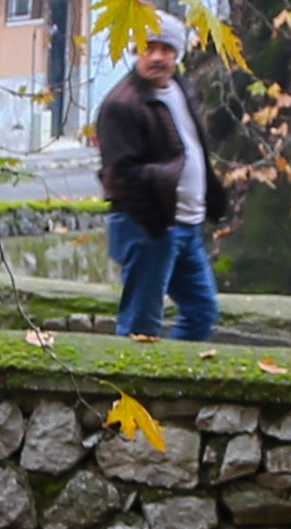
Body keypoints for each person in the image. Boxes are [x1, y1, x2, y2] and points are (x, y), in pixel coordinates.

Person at [89, 29, 219, 342]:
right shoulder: (121, 105)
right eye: (149, 48)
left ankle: (173, 383)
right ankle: (130, 390)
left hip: (188, 224)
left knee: (202, 311)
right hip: (149, 228)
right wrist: (156, 221)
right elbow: (121, 177)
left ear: (177, 55)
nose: (157, 57)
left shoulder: (182, 89)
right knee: (140, 324)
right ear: (137, 51)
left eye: (166, 49)